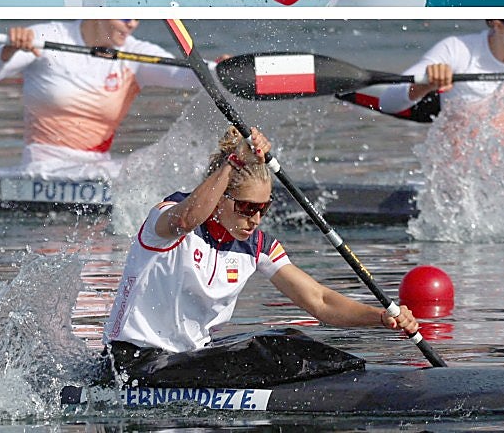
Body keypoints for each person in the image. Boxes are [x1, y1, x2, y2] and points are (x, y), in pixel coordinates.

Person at [101, 125, 417, 384]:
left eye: (263, 208)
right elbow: (188, 219)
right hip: (133, 365)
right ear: (220, 198)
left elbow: (319, 302)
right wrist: (233, 164)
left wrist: (380, 318)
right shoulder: (167, 220)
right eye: (246, 207)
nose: (255, 219)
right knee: (268, 349)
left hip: (186, 361)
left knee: (289, 339)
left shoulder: (257, 246)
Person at [0, 20, 202, 179]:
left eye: (137, 18)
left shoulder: (136, 53)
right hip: (42, 164)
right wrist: (8, 50)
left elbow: (186, 76)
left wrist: (223, 72)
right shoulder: (49, 36)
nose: (132, 24)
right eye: (125, 18)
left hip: (98, 167)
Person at [363, 21, 504, 117]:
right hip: (467, 182)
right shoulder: (458, 50)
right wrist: (424, 86)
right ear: (498, 24)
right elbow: (387, 103)